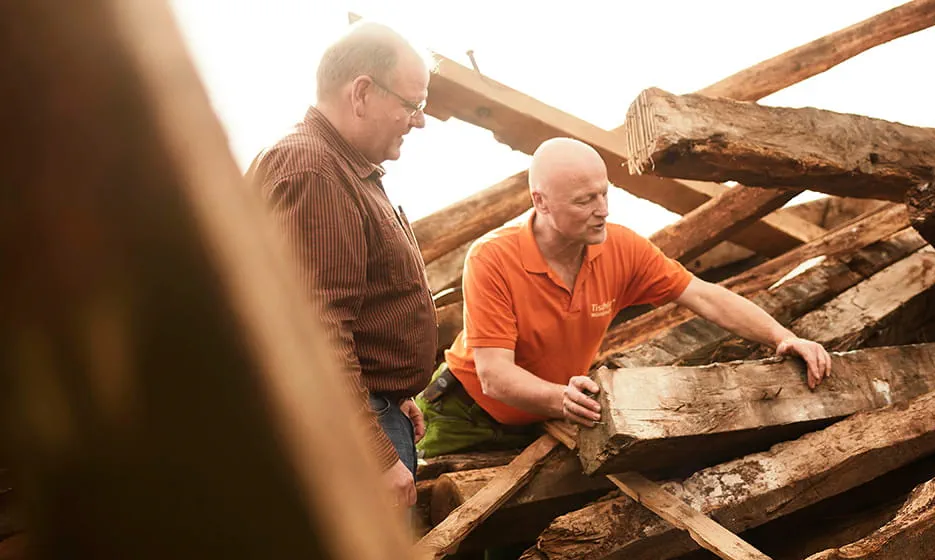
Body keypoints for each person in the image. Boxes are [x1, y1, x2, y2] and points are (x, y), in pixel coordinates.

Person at [418, 137, 832, 458]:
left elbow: (704, 297)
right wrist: (561, 398)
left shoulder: (621, 248)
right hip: (462, 414)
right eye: (585, 201)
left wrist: (781, 337)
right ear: (540, 202)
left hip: (542, 420)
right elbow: (495, 377)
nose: (603, 210)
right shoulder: (493, 258)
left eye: (604, 193)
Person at [247, 22, 436, 511]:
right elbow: (314, 333)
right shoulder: (313, 171)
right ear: (362, 93)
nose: (419, 121)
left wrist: (391, 393)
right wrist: (372, 450)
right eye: (413, 105)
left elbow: (357, 307)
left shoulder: (335, 164)